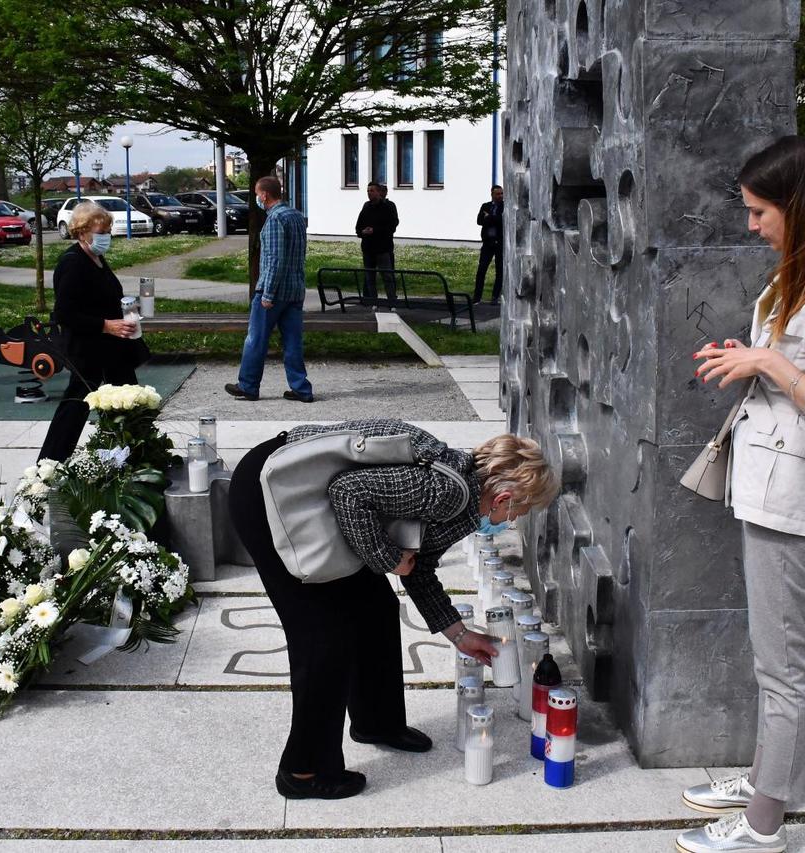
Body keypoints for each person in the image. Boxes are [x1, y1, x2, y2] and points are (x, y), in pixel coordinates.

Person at [680, 136, 805, 853]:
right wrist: (749, 359)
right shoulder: (800, 276)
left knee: (784, 663)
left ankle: (765, 821)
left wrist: (767, 360)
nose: (751, 225)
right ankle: (767, 775)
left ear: (797, 206)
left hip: (794, 503)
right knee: (772, 656)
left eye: (760, 210)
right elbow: (795, 374)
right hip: (769, 491)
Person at [229, 420, 558, 799]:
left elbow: (418, 569)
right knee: (323, 637)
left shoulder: (462, 499)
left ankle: (376, 722)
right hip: (271, 495)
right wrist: (388, 558)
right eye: (520, 511)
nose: (513, 520)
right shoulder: (449, 492)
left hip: (311, 504)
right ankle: (302, 770)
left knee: (376, 606)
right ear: (503, 499)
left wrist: (460, 635)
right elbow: (347, 493)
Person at [38, 201, 149, 462]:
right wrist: (106, 325)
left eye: (108, 231)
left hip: (110, 347)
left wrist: (127, 310)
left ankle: (136, 456)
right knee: (76, 404)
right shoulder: (73, 263)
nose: (106, 237)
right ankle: (51, 461)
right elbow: (65, 313)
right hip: (88, 347)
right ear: (82, 231)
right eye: (101, 232)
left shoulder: (96, 257)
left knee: (128, 399)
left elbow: (104, 295)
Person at [225, 176, 314, 403]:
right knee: (293, 341)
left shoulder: (275, 219)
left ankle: (248, 385)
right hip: (295, 289)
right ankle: (301, 388)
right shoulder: (295, 216)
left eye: (257, 193)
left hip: (275, 293)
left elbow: (275, 259)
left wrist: (267, 294)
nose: (256, 198)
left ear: (264, 195)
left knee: (256, 339)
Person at [355, 181, 399, 302]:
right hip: (368, 248)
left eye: (372, 191)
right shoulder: (366, 207)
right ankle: (372, 301)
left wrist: (374, 230)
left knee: (387, 276)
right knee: (370, 277)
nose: (369, 193)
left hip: (383, 248)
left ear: (379, 193)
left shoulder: (388, 207)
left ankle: (392, 301)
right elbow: (358, 227)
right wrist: (362, 232)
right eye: (368, 191)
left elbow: (391, 226)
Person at [473, 185, 504, 304]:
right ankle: (477, 297)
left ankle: (495, 297)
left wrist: (489, 217)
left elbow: (501, 221)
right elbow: (479, 221)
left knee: (499, 271)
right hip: (488, 242)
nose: (500, 196)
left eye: (501, 194)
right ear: (492, 194)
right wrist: (492, 219)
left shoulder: (505, 206)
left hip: (500, 242)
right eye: (498, 194)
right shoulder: (485, 206)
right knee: (481, 270)